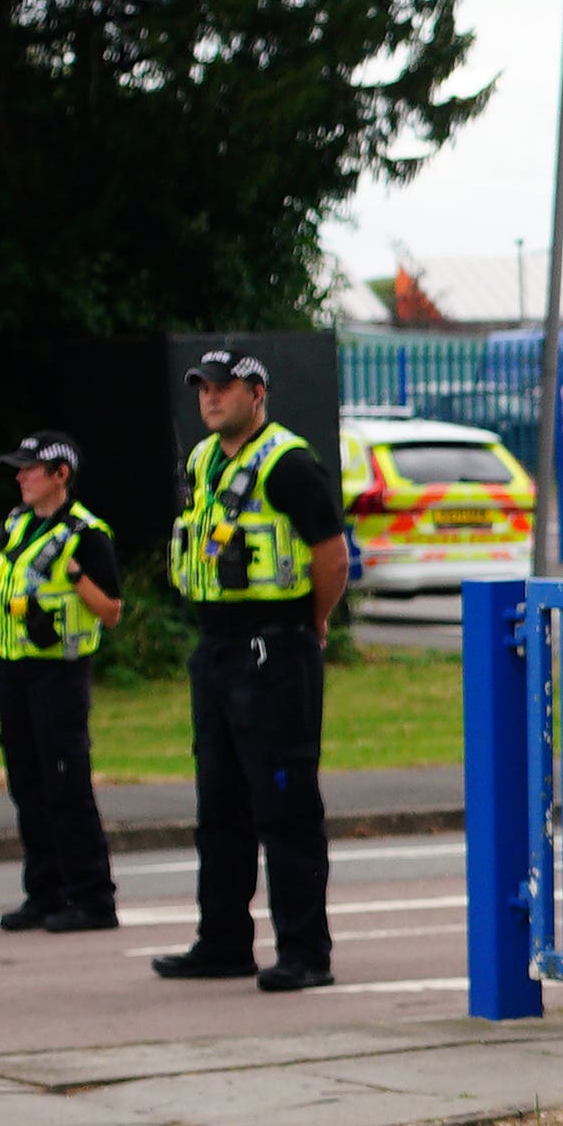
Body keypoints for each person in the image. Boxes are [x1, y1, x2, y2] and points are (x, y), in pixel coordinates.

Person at [156, 350, 348, 991]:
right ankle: (223, 942)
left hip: (274, 647)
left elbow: (332, 556)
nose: (210, 398)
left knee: (285, 805)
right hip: (216, 646)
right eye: (203, 388)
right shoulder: (204, 461)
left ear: (257, 394)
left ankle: (304, 952)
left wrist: (309, 624)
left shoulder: (288, 463)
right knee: (220, 806)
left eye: (223, 387)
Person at [0, 433, 124, 934]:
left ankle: (93, 898)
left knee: (66, 786)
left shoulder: (86, 533)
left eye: (30, 468)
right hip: (13, 669)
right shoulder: (17, 526)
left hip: (58, 675)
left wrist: (78, 576)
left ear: (60, 474)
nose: (20, 476)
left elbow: (111, 612)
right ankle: (44, 892)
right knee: (28, 786)